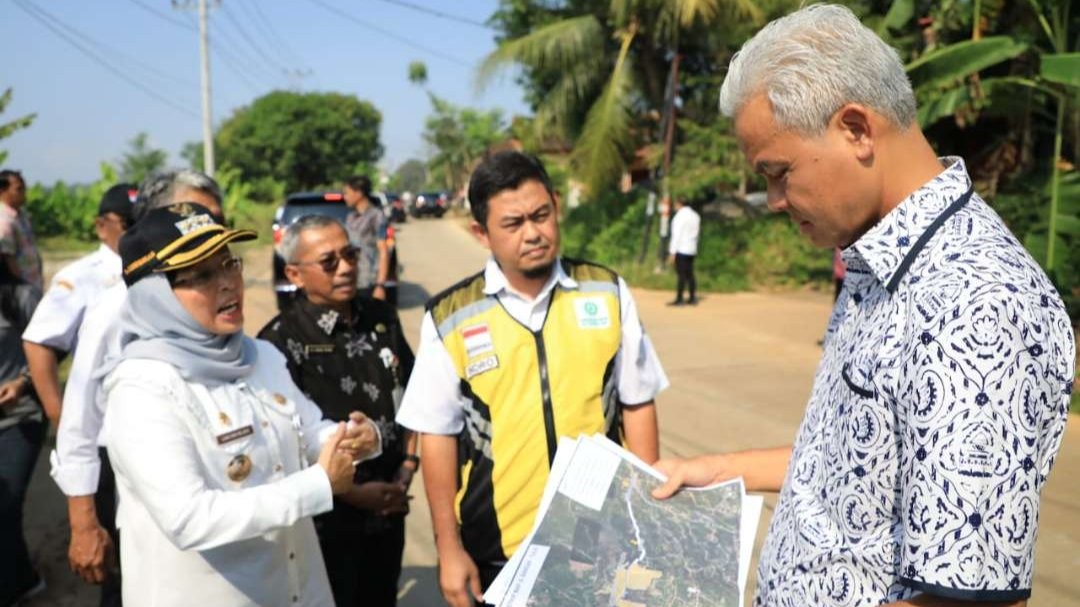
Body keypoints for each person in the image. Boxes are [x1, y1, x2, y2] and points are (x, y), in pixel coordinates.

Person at [651, 5, 1074, 606]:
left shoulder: (975, 302)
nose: (772, 199)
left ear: (855, 129)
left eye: (779, 172)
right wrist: (715, 470)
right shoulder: (877, 260)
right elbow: (857, 459)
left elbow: (967, 600)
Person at [396, 151, 668, 607]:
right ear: (480, 232)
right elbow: (438, 435)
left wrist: (653, 520)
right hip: (500, 552)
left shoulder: (607, 291)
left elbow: (637, 402)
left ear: (556, 207)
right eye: (514, 223)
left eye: (542, 215)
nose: (533, 233)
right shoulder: (451, 317)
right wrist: (448, 547)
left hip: (599, 543)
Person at [100, 202, 382, 606]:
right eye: (201, 275)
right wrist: (317, 485)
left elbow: (306, 430)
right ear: (155, 296)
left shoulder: (258, 356)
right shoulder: (142, 389)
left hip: (296, 588)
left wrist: (352, 438)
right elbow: (189, 518)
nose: (229, 282)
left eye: (229, 264)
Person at [49, 170, 225, 598]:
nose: (208, 232)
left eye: (215, 221)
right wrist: (84, 522)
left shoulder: (222, 299)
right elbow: (81, 419)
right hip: (132, 479)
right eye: (194, 217)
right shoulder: (116, 307)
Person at [259, 215, 417, 607]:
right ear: (295, 273)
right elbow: (283, 445)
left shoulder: (382, 318)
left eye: (349, 254)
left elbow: (415, 396)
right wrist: (356, 493)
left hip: (391, 505)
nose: (346, 267)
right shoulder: (277, 344)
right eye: (329, 261)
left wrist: (408, 468)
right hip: (326, 522)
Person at [23, 183, 134, 430]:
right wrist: (60, 417)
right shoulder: (80, 277)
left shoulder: (162, 270)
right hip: (104, 425)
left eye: (144, 221)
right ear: (101, 226)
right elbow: (39, 343)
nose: (138, 231)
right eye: (129, 223)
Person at [0, 263, 45, 606]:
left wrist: (22, 384)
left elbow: (53, 348)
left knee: (5, 506)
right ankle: (21, 576)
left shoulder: (22, 296)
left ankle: (17, 585)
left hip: (20, 417)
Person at [343, 175, 390, 301]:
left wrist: (380, 285)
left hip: (369, 282)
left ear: (358, 193)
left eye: (347, 193)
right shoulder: (350, 217)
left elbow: (383, 251)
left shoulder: (376, 216)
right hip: (351, 280)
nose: (345, 197)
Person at [0, 169, 43, 290]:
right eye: (18, 189)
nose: (24, 193)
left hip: (32, 284)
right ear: (2, 191)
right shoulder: (4, 221)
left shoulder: (21, 215)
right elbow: (10, 262)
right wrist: (24, 290)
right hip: (22, 289)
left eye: (24, 188)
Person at [667, 198, 700, 306]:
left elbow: (676, 235)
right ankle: (692, 297)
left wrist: (672, 252)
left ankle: (680, 298)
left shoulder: (679, 217)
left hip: (681, 249)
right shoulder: (695, 216)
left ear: (679, 203)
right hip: (691, 248)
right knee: (690, 274)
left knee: (681, 274)